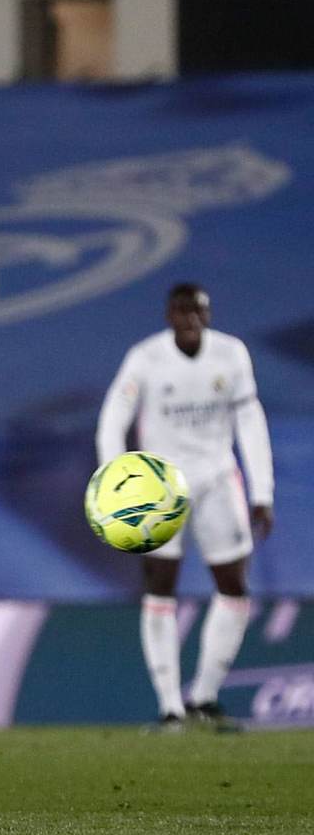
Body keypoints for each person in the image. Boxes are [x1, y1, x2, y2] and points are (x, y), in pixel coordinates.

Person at [96, 283, 274, 731]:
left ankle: (206, 697)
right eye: (181, 310)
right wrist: (117, 486)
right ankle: (169, 706)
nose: (190, 319)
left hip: (217, 478)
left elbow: (250, 422)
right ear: (168, 315)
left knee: (233, 585)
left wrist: (262, 491)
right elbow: (111, 422)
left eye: (198, 310)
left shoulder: (231, 355)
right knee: (160, 585)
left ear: (208, 315)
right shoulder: (146, 359)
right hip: (160, 486)